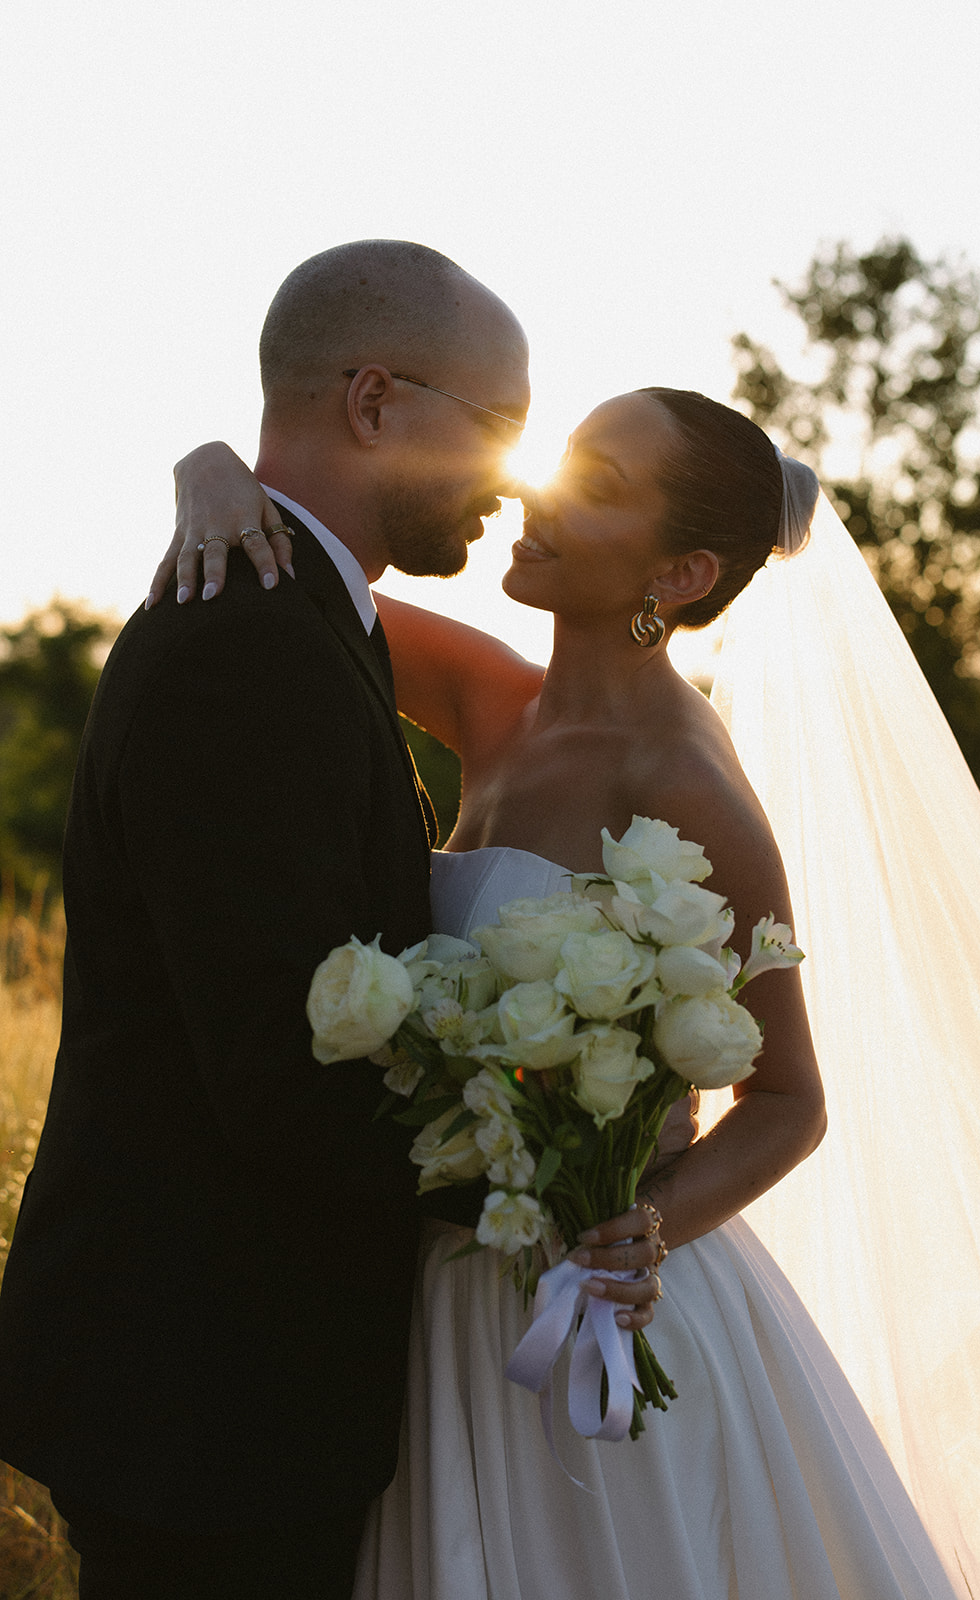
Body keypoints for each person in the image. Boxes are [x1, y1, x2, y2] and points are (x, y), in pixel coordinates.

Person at [149, 382, 980, 1598]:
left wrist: (643, 1230)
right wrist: (210, 473)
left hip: (602, 1313)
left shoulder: (688, 788)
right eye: (565, 457)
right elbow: (306, 583)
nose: (538, 491)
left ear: (678, 575)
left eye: (598, 486)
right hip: (440, 1302)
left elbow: (789, 1095)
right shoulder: (496, 702)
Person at [0, 241, 662, 1600]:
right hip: (205, 1394)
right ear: (374, 404)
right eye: (499, 430)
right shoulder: (251, 637)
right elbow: (280, 1071)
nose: (509, 476)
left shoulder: (308, 608)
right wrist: (545, 1193)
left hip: (240, 1376)